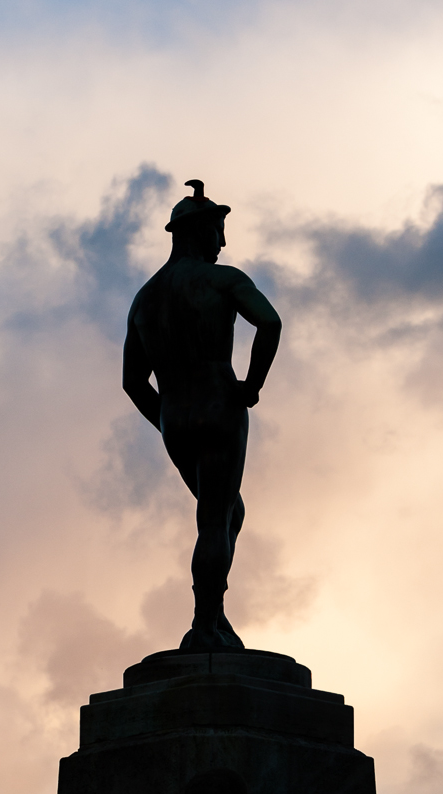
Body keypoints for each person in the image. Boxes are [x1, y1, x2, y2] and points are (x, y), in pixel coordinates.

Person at [123, 180, 282, 651]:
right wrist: (251, 386)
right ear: (198, 231)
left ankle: (216, 616)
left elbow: (133, 383)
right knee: (216, 519)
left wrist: (167, 422)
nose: (224, 243)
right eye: (219, 230)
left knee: (229, 512)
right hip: (219, 404)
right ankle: (204, 628)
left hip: (175, 415)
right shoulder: (222, 279)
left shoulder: (145, 299)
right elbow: (270, 322)